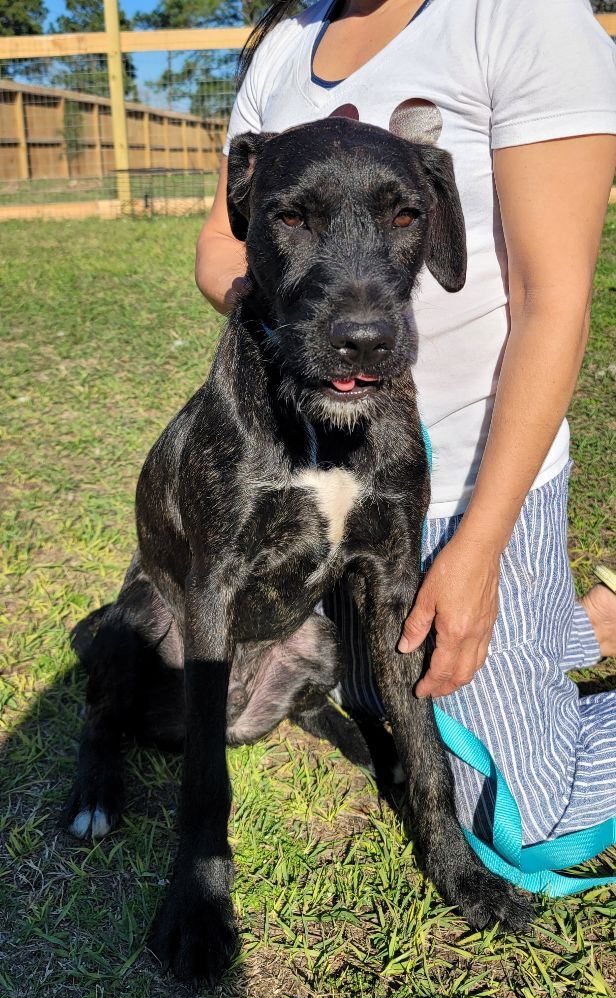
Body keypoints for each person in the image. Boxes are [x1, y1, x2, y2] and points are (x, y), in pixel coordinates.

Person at [195, 0, 616, 845]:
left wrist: (481, 546)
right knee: (357, 690)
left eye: (401, 216)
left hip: (471, 474)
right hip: (322, 464)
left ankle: (565, 617)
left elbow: (554, 301)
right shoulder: (284, 46)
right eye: (296, 217)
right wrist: (301, 325)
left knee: (514, 812)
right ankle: (582, 624)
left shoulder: (521, 18)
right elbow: (219, 247)